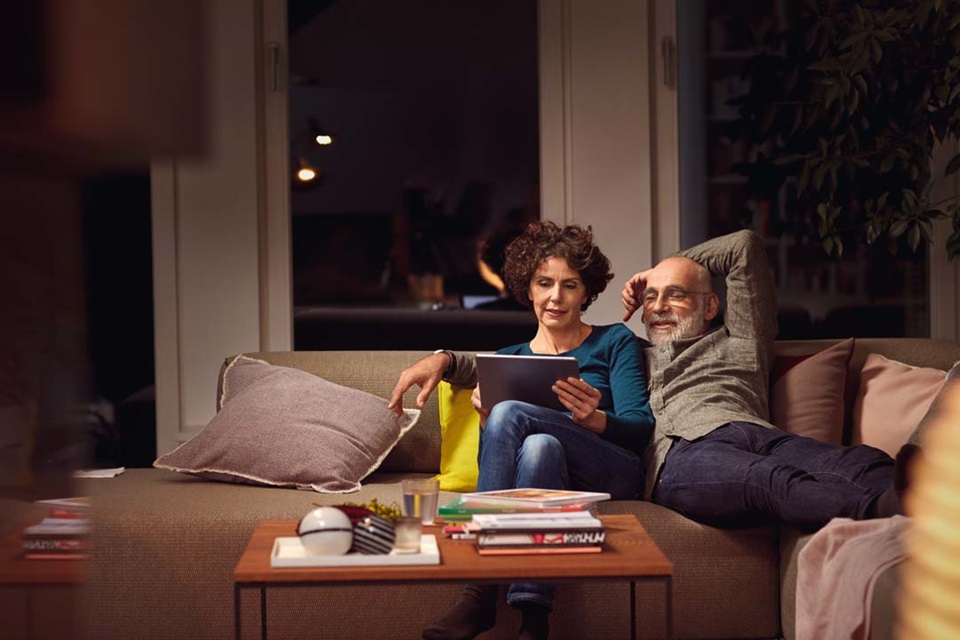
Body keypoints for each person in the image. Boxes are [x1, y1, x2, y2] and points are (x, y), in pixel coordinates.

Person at [389, 221, 654, 640]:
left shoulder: (614, 341)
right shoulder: (507, 359)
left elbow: (640, 429)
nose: (555, 297)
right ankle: (534, 622)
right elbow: (495, 461)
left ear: (586, 292)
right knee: (539, 448)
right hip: (548, 475)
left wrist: (595, 418)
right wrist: (484, 418)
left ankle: (480, 592)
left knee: (515, 415)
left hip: (611, 470)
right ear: (527, 289)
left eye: (569, 285)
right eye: (544, 283)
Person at [618, 229, 910, 529]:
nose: (658, 306)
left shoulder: (742, 340)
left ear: (710, 306)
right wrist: (670, 272)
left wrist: (663, 267)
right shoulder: (627, 356)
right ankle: (880, 510)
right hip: (687, 453)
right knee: (770, 478)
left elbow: (743, 246)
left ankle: (930, 498)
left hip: (763, 436)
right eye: (649, 297)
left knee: (861, 462)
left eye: (675, 293)